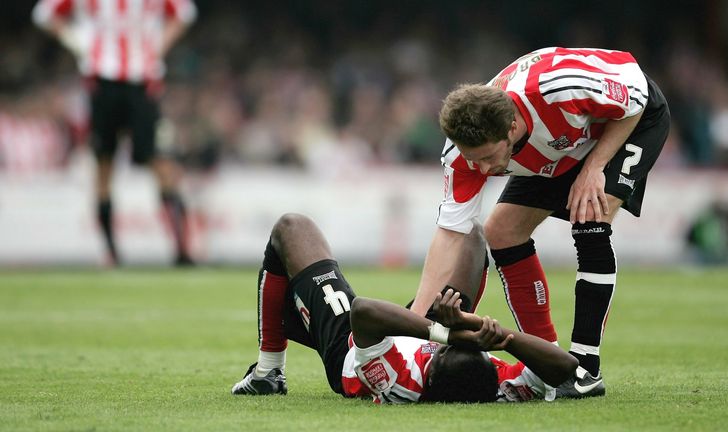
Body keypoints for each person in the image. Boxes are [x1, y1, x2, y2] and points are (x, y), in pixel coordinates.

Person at [411, 47, 671, 398]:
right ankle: (546, 363)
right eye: (476, 161)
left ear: (512, 127)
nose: (485, 171)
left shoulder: (559, 88)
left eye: (489, 157)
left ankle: (585, 370)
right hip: (560, 147)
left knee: (589, 215)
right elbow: (449, 235)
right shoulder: (463, 156)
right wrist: (415, 331)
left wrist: (595, 167)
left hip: (630, 120)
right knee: (501, 233)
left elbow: (635, 99)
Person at [230, 213, 577, 403]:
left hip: (355, 347)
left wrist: (446, 332)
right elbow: (566, 368)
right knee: (472, 235)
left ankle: (269, 373)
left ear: (433, 366)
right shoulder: (498, 385)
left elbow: (363, 312)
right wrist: (499, 336)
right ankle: (440, 320)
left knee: (291, 229)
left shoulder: (399, 378)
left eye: (441, 351)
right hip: (427, 330)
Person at [32, 0, 197, 266]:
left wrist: (157, 47)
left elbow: (183, 13)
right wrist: (77, 41)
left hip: (143, 84)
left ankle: (182, 251)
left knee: (161, 162)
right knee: (104, 165)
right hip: (102, 82)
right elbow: (45, 14)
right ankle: (112, 253)